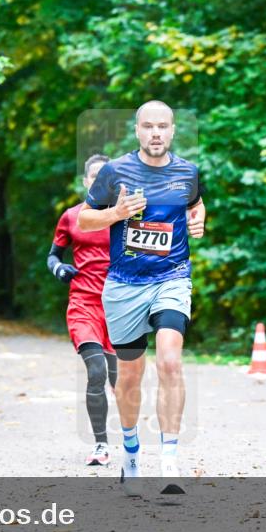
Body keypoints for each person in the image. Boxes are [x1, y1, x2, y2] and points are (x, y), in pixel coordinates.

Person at [77, 101, 206, 497]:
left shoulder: (188, 172)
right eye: (148, 126)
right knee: (130, 378)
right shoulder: (115, 171)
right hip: (124, 286)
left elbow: (195, 204)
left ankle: (169, 461)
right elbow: (84, 219)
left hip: (172, 278)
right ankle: (131, 453)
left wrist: (200, 218)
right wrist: (115, 213)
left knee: (170, 360)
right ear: (137, 130)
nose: (155, 133)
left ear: (172, 130)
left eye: (162, 127)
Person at [48, 154, 119, 466]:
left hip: (120, 308)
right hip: (84, 305)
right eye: (94, 176)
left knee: (121, 381)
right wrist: (59, 269)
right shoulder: (71, 216)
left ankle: (130, 441)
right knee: (97, 372)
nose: (99, 180)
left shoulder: (126, 217)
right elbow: (53, 255)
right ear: (86, 181)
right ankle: (101, 444)